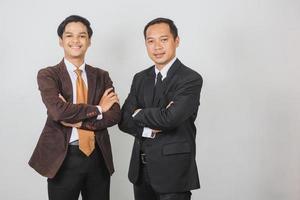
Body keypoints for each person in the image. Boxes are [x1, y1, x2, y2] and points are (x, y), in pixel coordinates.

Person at [29, 15, 120, 200]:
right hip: (63, 158)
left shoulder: (102, 76)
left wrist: (74, 120)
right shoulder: (49, 75)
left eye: (82, 36)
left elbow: (115, 115)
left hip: (98, 157)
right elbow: (58, 112)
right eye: (69, 36)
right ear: (61, 41)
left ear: (89, 41)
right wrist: (99, 108)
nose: (76, 41)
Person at [118, 17, 203, 200]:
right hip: (140, 172)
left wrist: (139, 113)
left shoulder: (190, 79)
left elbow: (170, 118)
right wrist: (152, 125)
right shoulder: (140, 78)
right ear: (146, 44)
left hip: (173, 172)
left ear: (176, 41)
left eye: (163, 40)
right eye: (151, 41)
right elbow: (124, 121)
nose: (157, 47)